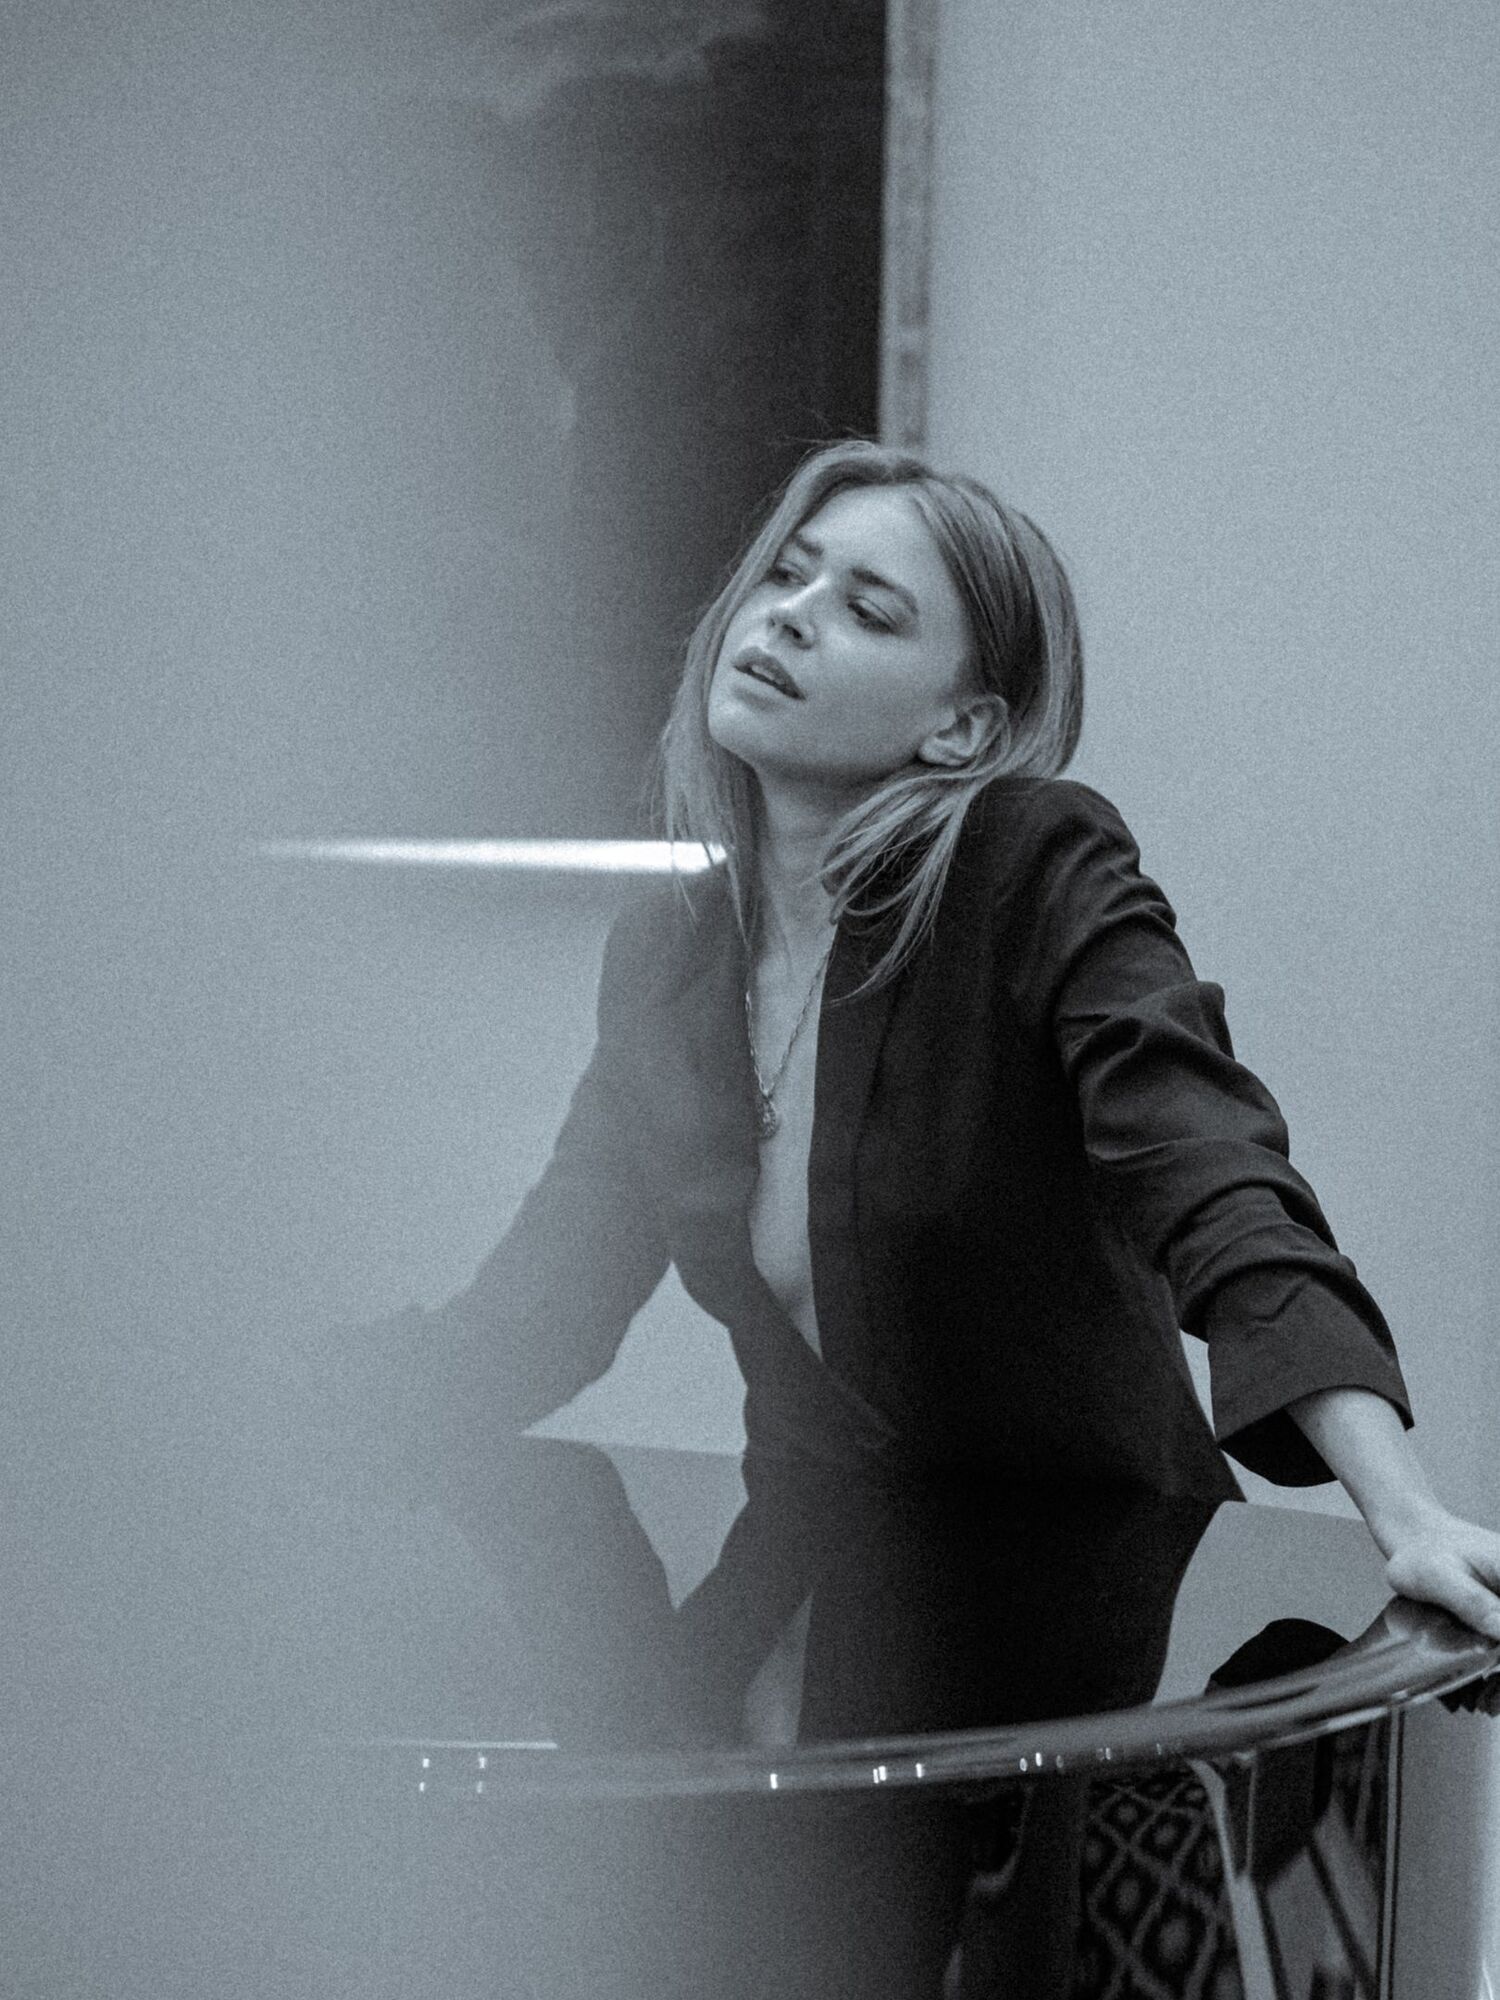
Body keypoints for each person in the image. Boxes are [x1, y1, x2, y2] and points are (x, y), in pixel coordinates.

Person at [426, 437, 1500, 1642]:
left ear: (962, 729)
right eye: (786, 572)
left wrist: (1403, 1508)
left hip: (1080, 1628)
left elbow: (1212, 1173)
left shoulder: (1031, 866)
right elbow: (532, 1320)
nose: (790, 615)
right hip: (793, 1612)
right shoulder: (666, 953)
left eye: (868, 611)